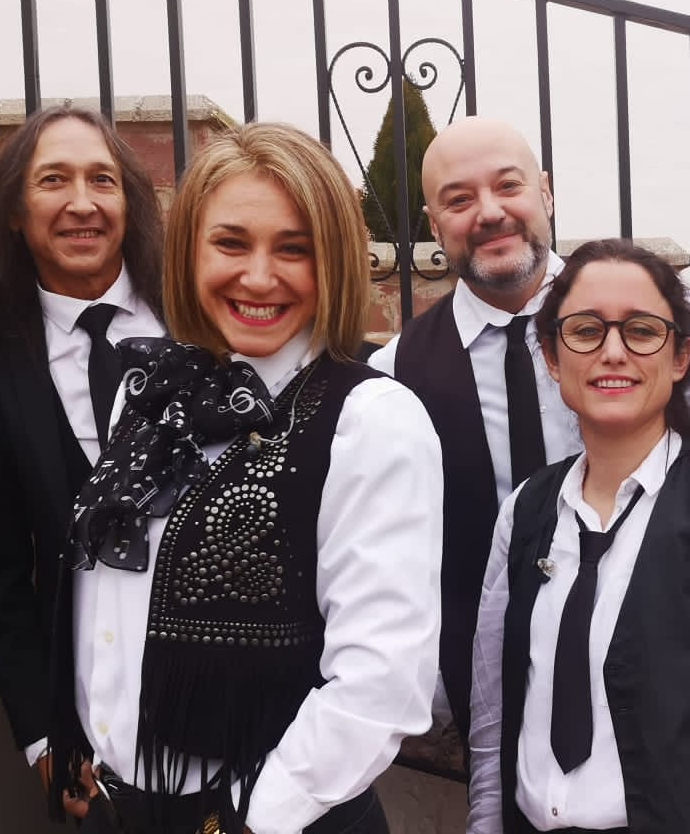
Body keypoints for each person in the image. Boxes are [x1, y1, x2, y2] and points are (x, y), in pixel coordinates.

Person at [49, 122, 442, 833]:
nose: (259, 277)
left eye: (295, 249)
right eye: (231, 243)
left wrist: (250, 819)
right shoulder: (146, 393)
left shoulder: (370, 418)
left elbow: (380, 682)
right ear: (189, 251)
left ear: (335, 260)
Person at [367, 117, 690, 738]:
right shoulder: (395, 374)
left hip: (676, 695)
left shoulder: (661, 322)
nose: (490, 212)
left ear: (547, 193)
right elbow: (396, 560)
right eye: (459, 199)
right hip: (497, 712)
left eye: (509, 186)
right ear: (433, 225)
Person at [467, 239, 690, 834]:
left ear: (680, 357)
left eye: (641, 331)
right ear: (551, 357)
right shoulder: (525, 511)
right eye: (585, 331)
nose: (613, 352)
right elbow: (494, 708)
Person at [0, 105, 167, 787]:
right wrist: (44, 740)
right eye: (53, 180)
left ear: (130, 205)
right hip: (89, 726)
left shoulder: (199, 316)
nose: (82, 203)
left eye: (102, 180)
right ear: (16, 213)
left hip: (231, 702)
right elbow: (2, 573)